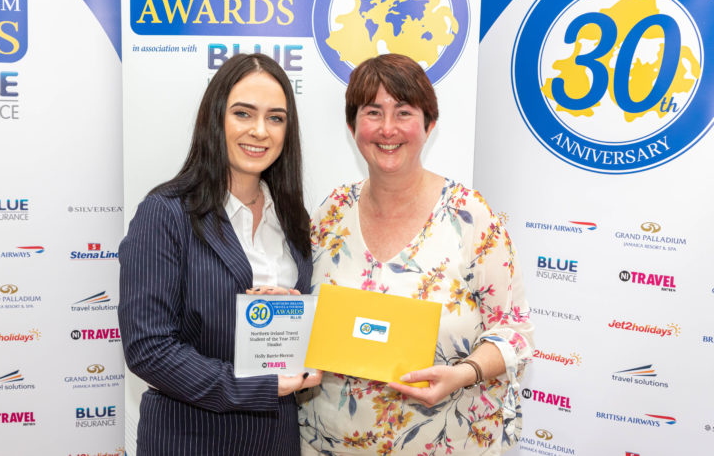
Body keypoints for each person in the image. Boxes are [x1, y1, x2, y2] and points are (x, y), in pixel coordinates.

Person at [299, 54, 534, 456]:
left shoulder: (470, 216)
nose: (388, 129)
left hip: (446, 441)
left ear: (429, 124)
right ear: (353, 126)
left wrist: (464, 373)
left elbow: (514, 332)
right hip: (332, 441)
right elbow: (307, 311)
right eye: (373, 112)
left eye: (403, 112)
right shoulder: (331, 212)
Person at [119, 53, 322, 456]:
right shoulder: (166, 212)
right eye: (243, 113)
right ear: (216, 119)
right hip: (190, 439)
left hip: (277, 439)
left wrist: (300, 321)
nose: (260, 131)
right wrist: (251, 385)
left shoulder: (292, 217)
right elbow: (149, 347)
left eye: (276, 118)